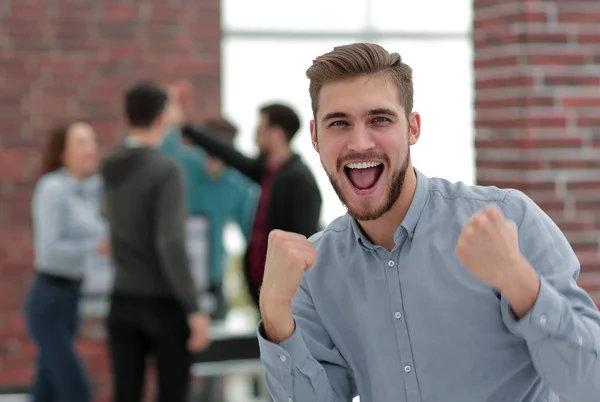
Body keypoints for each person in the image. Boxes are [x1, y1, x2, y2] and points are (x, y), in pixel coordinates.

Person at [256, 43, 600, 402]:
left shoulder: (510, 219)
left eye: (380, 119)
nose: (359, 143)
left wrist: (522, 285)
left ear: (413, 128)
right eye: (339, 123)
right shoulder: (315, 269)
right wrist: (276, 316)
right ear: (315, 137)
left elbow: (591, 386)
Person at [100, 81, 210, 402]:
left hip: (121, 300)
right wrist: (193, 307)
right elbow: (171, 244)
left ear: (127, 117)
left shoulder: (109, 165)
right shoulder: (165, 170)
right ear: (164, 118)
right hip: (164, 304)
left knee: (125, 393)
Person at [170, 86, 322, 308]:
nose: (255, 136)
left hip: (288, 299)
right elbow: (229, 154)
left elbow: (306, 243)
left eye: (260, 129)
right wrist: (186, 128)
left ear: (276, 134)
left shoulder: (299, 180)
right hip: (265, 294)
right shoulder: (269, 172)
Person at [25, 120, 108, 402]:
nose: (91, 149)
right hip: (49, 299)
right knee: (76, 390)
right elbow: (48, 251)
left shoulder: (92, 188)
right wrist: (96, 247)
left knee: (46, 389)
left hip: (72, 297)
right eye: (82, 142)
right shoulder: (52, 188)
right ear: (63, 152)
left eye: (93, 141)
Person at [160, 118, 258, 319]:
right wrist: (174, 120)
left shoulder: (239, 185)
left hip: (213, 280)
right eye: (210, 150)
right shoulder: (183, 165)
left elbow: (251, 233)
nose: (215, 159)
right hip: (171, 281)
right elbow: (159, 151)